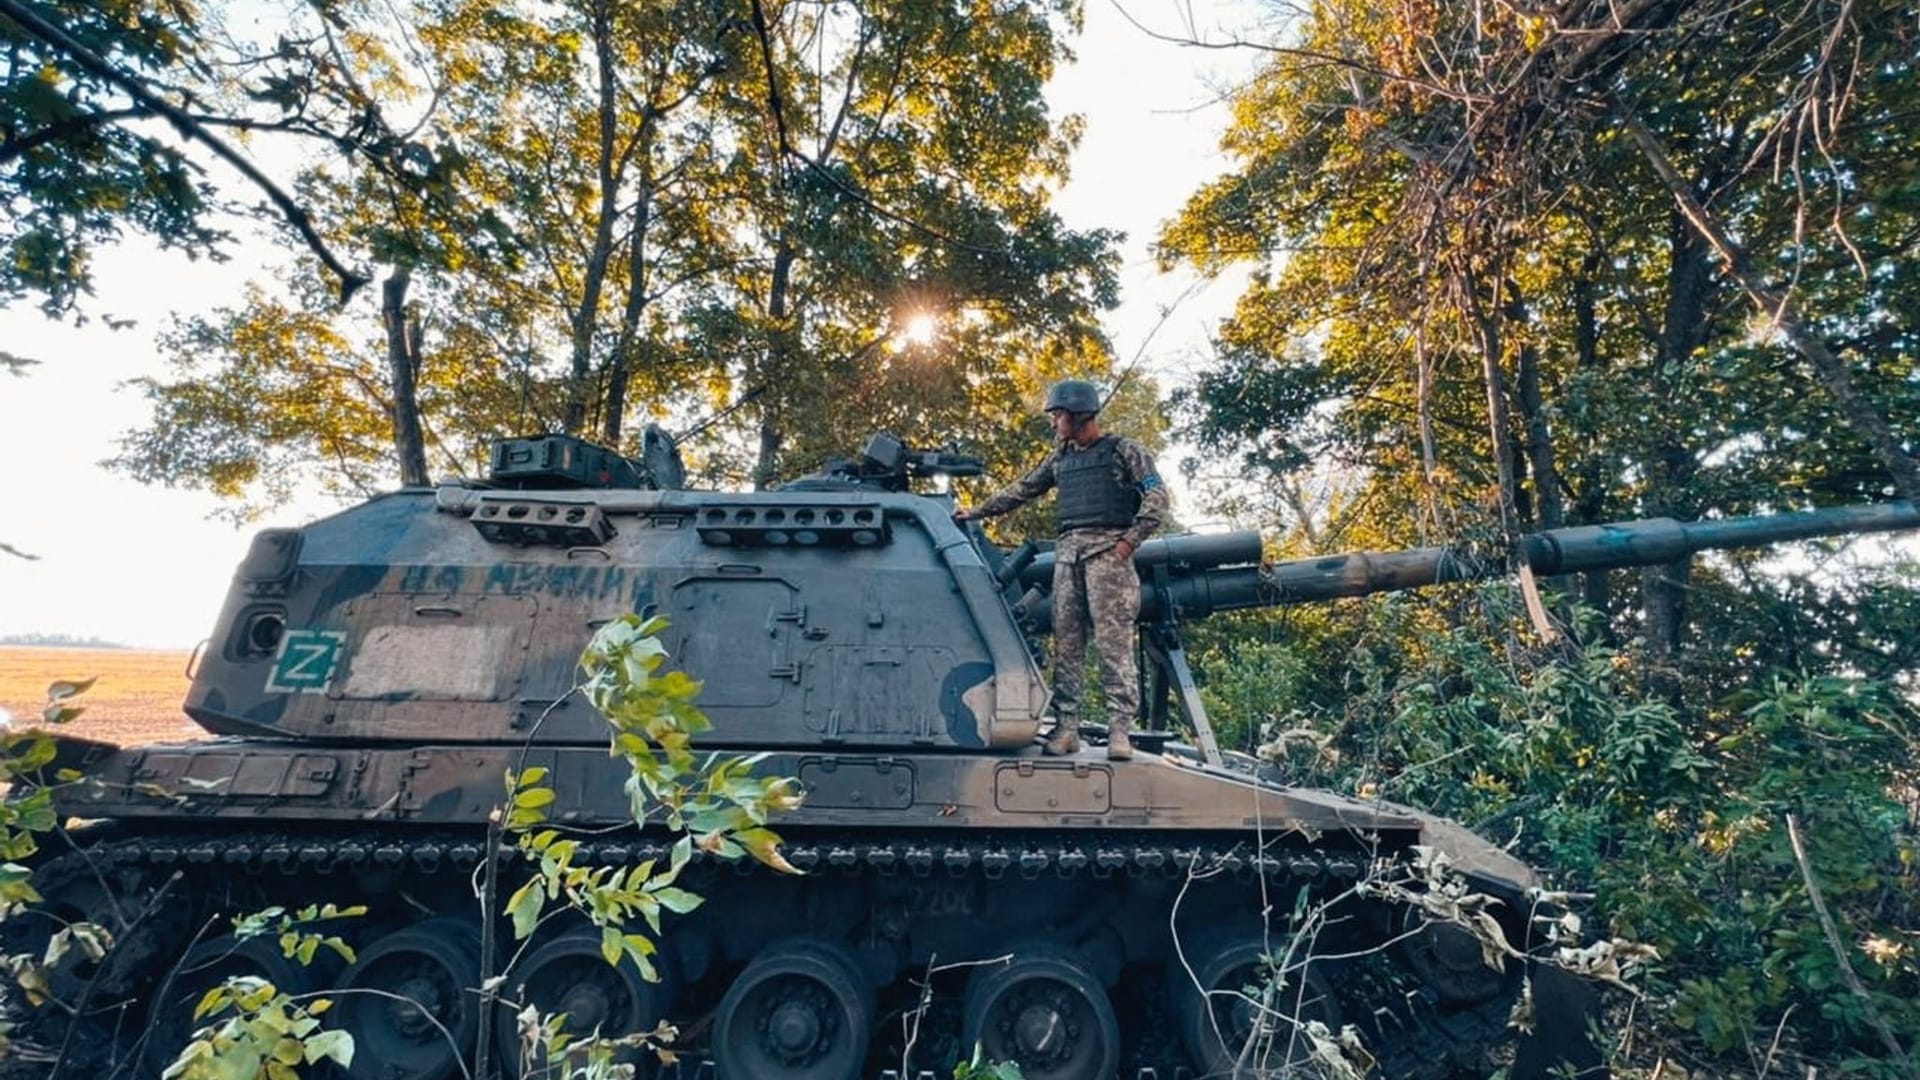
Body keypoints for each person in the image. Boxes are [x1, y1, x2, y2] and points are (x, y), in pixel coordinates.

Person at [955, 379, 1168, 760]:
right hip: (1068, 557)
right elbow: (1024, 488)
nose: (1054, 422)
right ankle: (1066, 728)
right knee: (1067, 645)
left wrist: (1130, 541)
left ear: (1079, 414)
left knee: (1113, 645)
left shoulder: (1125, 451)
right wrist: (977, 511)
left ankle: (1121, 732)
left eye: (1058, 415)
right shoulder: (1061, 458)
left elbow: (1157, 495)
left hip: (1109, 556)